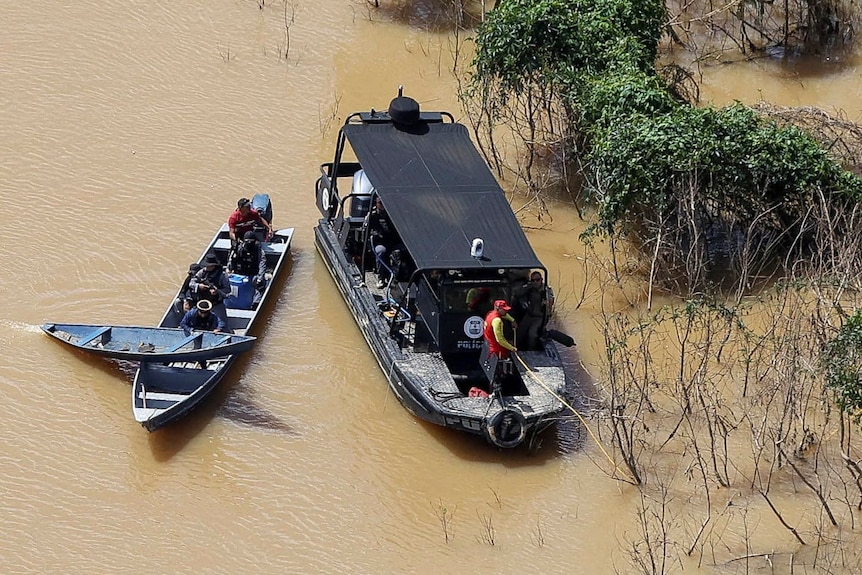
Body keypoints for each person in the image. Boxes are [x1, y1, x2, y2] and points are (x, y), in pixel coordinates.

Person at [189, 252, 231, 329]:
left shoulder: (222, 275)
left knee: (223, 324)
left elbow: (227, 289)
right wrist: (199, 286)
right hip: (203, 303)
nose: (207, 267)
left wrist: (216, 292)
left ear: (214, 265)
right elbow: (191, 283)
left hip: (216, 304)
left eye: (209, 266)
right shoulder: (202, 272)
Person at [366, 196, 401, 288]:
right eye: (380, 203)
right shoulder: (373, 216)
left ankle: (395, 279)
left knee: (399, 253)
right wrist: (378, 234)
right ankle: (381, 278)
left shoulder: (393, 214)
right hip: (380, 242)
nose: (382, 205)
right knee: (381, 252)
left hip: (393, 241)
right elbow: (368, 231)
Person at [514, 271, 552, 350]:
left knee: (532, 334)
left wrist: (547, 303)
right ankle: (517, 349)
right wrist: (528, 287)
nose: (535, 282)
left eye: (537, 280)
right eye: (533, 280)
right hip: (529, 314)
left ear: (541, 279)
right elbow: (518, 293)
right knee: (520, 332)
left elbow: (550, 303)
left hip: (539, 317)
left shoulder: (546, 290)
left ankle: (531, 351)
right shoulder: (530, 288)